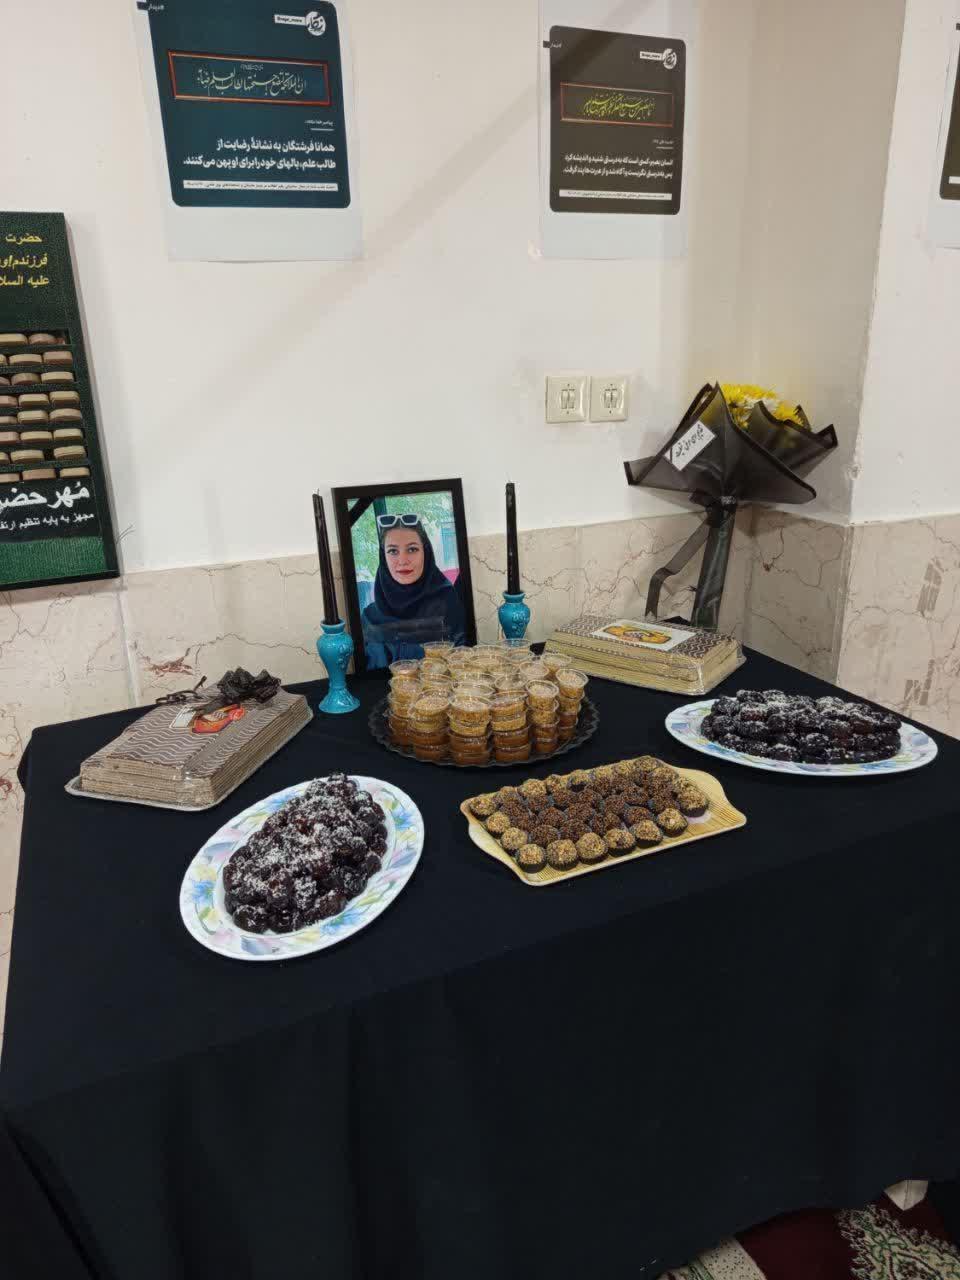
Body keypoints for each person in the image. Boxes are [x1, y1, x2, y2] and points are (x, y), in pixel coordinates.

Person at [361, 515, 466, 668]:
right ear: (383, 557)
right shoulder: (370, 618)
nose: (403, 560)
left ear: (426, 552)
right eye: (393, 551)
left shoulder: (449, 602)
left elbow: (462, 662)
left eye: (412, 549)